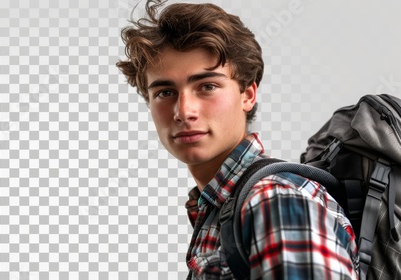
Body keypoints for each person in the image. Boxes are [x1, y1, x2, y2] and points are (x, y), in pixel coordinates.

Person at [116, 1, 359, 279]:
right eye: (164, 92)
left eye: (207, 86)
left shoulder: (275, 200)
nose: (184, 111)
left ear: (248, 95)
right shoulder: (223, 205)